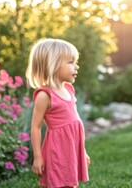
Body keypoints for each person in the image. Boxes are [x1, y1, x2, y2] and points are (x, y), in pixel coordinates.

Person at [26, 38, 89, 187]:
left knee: (71, 181)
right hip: (58, 149)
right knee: (59, 182)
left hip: (72, 148)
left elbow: (75, 126)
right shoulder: (45, 95)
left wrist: (82, 151)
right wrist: (37, 156)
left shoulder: (69, 89)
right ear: (53, 64)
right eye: (71, 62)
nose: (76, 66)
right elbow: (35, 127)